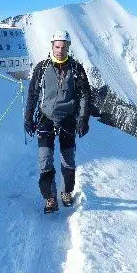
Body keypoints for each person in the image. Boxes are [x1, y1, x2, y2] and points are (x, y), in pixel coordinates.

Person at [24, 30, 92, 213]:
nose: (60, 50)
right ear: (52, 46)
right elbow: (32, 94)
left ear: (68, 47)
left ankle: (67, 192)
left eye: (63, 47)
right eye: (57, 46)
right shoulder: (42, 68)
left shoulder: (76, 69)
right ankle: (50, 198)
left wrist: (83, 119)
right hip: (45, 118)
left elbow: (85, 94)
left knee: (67, 160)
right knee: (45, 160)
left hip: (67, 119)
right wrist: (28, 118)